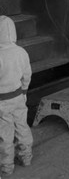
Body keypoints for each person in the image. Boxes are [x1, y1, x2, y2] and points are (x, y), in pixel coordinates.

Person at [0, 16, 33, 176]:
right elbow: (27, 75)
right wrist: (24, 91)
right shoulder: (21, 52)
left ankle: (7, 167)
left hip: (2, 101)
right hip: (19, 97)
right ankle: (26, 157)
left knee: (5, 134)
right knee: (22, 126)